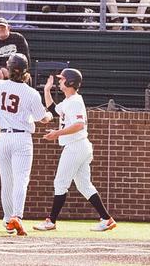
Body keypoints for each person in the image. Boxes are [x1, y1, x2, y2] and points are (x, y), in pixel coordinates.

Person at [0, 49, 53, 236]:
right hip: (22, 138)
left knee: (7, 182)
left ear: (8, 69)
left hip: (4, 138)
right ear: (25, 71)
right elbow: (43, 118)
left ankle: (8, 219)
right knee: (21, 180)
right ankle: (16, 216)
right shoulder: (31, 92)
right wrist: (49, 114)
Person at [33, 68, 116, 232]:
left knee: (60, 183)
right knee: (84, 185)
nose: (60, 81)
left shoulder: (75, 101)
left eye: (62, 79)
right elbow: (52, 109)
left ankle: (51, 221)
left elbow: (79, 125)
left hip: (75, 146)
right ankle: (106, 219)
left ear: (70, 82)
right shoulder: (68, 101)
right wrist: (46, 90)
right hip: (79, 146)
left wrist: (57, 133)